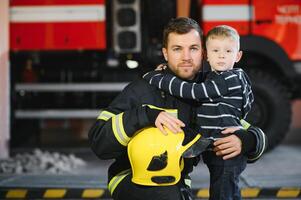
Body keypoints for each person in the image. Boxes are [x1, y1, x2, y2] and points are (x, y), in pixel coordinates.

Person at [88, 18, 266, 200]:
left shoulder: (207, 90)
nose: (186, 57)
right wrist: (146, 115)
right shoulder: (145, 87)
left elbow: (234, 122)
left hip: (176, 182)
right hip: (132, 178)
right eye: (177, 49)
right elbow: (98, 141)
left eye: (193, 49)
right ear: (165, 53)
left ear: (203, 53)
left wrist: (248, 140)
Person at [143, 25, 257, 199]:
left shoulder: (229, 78)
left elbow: (192, 91)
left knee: (222, 194)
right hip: (215, 147)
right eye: (216, 50)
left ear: (238, 56)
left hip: (226, 150)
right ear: (207, 55)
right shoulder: (214, 77)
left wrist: (156, 78)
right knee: (227, 192)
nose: (221, 55)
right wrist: (167, 69)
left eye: (228, 51)